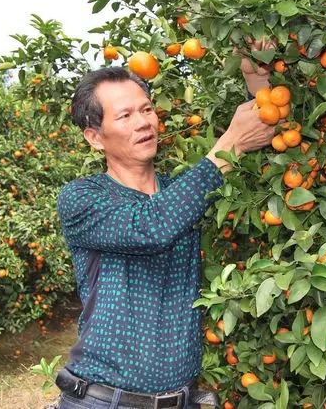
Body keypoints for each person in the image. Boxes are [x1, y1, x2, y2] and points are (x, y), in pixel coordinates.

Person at [54, 47, 274, 409]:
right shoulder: (82, 199)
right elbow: (152, 227)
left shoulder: (182, 191)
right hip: (104, 402)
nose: (143, 122)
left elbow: (260, 155)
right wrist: (227, 145)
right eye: (124, 115)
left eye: (146, 109)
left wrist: (257, 82)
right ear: (95, 137)